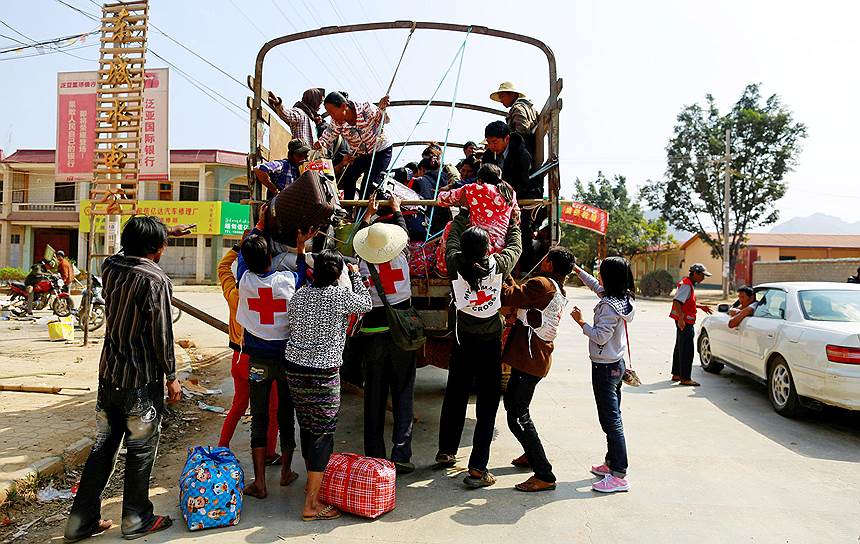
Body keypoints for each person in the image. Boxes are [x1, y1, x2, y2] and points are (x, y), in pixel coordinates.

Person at [64, 216, 180, 542]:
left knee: (103, 447)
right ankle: (135, 519)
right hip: (140, 381)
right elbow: (162, 335)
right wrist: (172, 377)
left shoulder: (111, 268)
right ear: (158, 249)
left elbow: (121, 252)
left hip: (109, 375)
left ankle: (79, 522)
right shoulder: (155, 281)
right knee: (141, 449)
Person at [283, 250, 372, 521]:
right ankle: (312, 504)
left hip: (295, 370)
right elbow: (366, 304)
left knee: (307, 425)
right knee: (323, 433)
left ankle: (314, 485)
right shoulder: (339, 296)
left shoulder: (298, 296)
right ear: (337, 274)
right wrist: (356, 277)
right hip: (323, 373)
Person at [436, 214, 522, 488]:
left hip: (463, 341)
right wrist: (515, 224)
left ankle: (446, 450)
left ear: (463, 248)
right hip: (488, 345)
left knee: (455, 395)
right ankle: (477, 468)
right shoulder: (498, 265)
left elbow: (450, 241)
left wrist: (462, 214)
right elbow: (515, 247)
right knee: (487, 405)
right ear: (488, 250)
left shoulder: (454, 263)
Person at [235, 225, 312, 499]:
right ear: (270, 258)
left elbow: (243, 259)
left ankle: (259, 483)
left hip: (257, 361)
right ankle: (286, 472)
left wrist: (253, 231)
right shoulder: (286, 281)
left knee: (259, 417)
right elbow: (303, 275)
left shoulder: (243, 280)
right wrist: (301, 248)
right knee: (285, 415)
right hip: (286, 360)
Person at [501, 246, 576, 492]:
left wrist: (496, 269)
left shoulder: (542, 284)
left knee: (517, 415)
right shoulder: (553, 286)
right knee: (515, 407)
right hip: (534, 359)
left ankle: (544, 473)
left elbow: (509, 296)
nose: (542, 261)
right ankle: (530, 453)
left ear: (550, 265)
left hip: (530, 359)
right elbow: (521, 294)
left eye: (546, 259)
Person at [353, 194, 417, 474]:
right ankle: (401, 454)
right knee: (404, 393)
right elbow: (403, 234)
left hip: (372, 337)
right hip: (402, 335)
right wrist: (397, 209)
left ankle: (375, 456)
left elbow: (353, 241)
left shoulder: (360, 264)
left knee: (374, 397)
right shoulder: (403, 257)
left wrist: (367, 214)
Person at [570, 257, 636, 493]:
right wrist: (578, 270)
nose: (598, 276)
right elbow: (596, 287)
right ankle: (611, 464)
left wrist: (581, 323)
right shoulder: (622, 298)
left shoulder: (609, 306)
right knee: (612, 417)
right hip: (616, 364)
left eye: (601, 272)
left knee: (611, 421)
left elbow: (600, 336)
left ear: (610, 277)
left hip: (605, 368)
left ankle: (619, 475)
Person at [216, 242, 281, 465]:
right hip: (260, 359)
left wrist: (237, 247)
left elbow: (223, 268)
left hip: (238, 358)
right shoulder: (277, 290)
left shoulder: (233, 293)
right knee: (272, 409)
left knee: (238, 405)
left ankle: (222, 447)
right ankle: (270, 453)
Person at [315, 91, 393, 202]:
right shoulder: (336, 122)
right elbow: (328, 136)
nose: (331, 116)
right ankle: (348, 210)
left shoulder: (366, 109)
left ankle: (362, 215)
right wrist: (319, 144)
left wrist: (381, 109)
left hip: (380, 151)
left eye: (332, 112)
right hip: (360, 153)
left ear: (343, 106)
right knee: (348, 177)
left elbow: (386, 120)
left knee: (368, 184)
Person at [670, 264, 713, 386]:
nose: (703, 278)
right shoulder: (687, 285)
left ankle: (677, 374)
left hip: (683, 321)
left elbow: (686, 301)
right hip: (685, 322)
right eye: (702, 275)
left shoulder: (687, 284)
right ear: (696, 273)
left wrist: (700, 306)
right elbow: (677, 301)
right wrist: (681, 319)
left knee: (680, 347)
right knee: (687, 350)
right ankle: (685, 378)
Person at [489, 82, 538, 155]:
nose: (501, 100)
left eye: (502, 96)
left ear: (512, 94)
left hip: (521, 154)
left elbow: (522, 131)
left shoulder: (517, 108)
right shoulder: (530, 108)